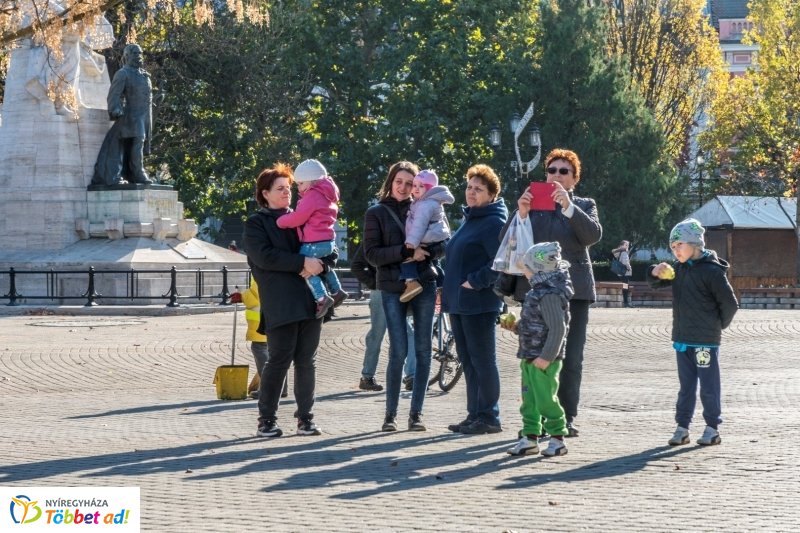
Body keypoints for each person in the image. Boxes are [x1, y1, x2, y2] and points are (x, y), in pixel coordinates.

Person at [510, 148, 602, 437]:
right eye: (552, 170)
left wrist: (569, 207)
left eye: (564, 172)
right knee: (534, 355)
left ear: (574, 179)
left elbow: (592, 236)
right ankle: (535, 420)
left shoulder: (584, 205)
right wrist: (522, 215)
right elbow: (509, 244)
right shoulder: (532, 205)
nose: (557, 176)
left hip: (574, 292)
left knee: (570, 357)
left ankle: (566, 417)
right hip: (536, 292)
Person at [243, 163, 326, 438]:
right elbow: (264, 257)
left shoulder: (303, 216)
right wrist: (304, 262)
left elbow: (325, 242)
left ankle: (305, 418)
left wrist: (322, 264)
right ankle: (266, 419)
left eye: (289, 188)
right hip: (280, 303)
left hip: (310, 301)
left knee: (307, 361)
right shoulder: (257, 224)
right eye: (280, 189)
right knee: (278, 360)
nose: (286, 193)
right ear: (264, 194)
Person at [363, 160, 442, 432]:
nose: (405, 187)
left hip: (424, 283)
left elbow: (442, 243)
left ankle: (416, 413)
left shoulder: (426, 205)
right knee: (398, 350)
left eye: (410, 183)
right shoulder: (377, 213)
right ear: (391, 181)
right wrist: (407, 252)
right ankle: (390, 414)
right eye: (400, 181)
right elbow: (372, 255)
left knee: (422, 349)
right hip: (391, 285)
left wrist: (428, 252)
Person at [649, 219, 738, 447]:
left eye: (679, 245)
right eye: (672, 247)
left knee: (709, 385)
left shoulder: (712, 272)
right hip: (682, 340)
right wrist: (655, 272)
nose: (676, 250)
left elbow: (730, 304)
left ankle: (711, 427)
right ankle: (682, 427)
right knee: (686, 386)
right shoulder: (678, 269)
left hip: (704, 343)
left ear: (695, 244)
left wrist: (716, 328)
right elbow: (656, 283)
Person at [442, 164, 508, 435]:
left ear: (492, 194)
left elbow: (500, 263)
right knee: (467, 360)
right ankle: (474, 414)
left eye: (478, 189)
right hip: (460, 303)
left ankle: (490, 417)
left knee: (483, 360)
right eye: (469, 187)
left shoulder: (493, 221)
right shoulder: (472, 218)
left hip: (479, 302)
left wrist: (475, 282)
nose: (471, 192)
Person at [504, 242, 574, 457]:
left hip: (544, 359)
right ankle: (530, 437)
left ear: (538, 268)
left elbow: (557, 329)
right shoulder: (538, 291)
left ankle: (557, 438)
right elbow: (536, 326)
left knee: (545, 399)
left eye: (526, 267)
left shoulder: (550, 294)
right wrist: (516, 327)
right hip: (529, 356)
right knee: (529, 401)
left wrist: (546, 357)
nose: (524, 271)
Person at [276, 159, 348, 318]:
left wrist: (281, 221)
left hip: (313, 242)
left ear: (312, 181)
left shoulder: (312, 196)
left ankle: (322, 297)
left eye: (301, 184)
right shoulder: (327, 194)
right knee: (323, 267)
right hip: (328, 241)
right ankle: (337, 290)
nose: (299, 188)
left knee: (306, 268)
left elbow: (299, 217)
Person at [350, 244, 417, 392]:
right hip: (381, 291)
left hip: (403, 290)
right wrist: (374, 283)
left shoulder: (406, 235)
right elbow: (356, 266)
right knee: (377, 334)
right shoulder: (373, 239)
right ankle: (367, 376)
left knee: (409, 333)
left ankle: (411, 376)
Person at [92, 44, 153, 186]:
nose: (139, 56)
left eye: (140, 53)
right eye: (135, 54)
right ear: (127, 56)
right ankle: (138, 173)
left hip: (145, 116)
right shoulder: (123, 73)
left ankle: (132, 173)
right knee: (138, 141)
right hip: (131, 116)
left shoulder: (144, 75)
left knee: (140, 144)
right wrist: (115, 109)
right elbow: (114, 95)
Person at [399, 169, 454, 302]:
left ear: (429, 188)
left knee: (408, 259)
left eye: (421, 186)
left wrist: (411, 243)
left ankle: (411, 282)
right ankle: (442, 285)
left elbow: (419, 225)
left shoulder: (425, 204)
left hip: (427, 237)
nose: (416, 188)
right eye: (415, 185)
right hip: (435, 237)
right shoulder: (425, 201)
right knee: (433, 263)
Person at [229, 276, 288, 400]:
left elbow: (257, 293)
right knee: (277, 353)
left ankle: (270, 389)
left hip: (262, 320)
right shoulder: (280, 262)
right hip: (279, 315)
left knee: (260, 348)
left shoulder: (261, 262)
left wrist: (242, 296)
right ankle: (281, 389)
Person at [611, 240, 633, 307]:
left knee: (625, 287)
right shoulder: (624, 253)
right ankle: (626, 303)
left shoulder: (618, 252)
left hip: (620, 273)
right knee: (625, 288)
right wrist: (629, 267)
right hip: (625, 273)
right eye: (626, 245)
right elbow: (625, 262)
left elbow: (613, 251)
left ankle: (626, 302)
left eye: (628, 245)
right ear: (621, 245)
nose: (627, 246)